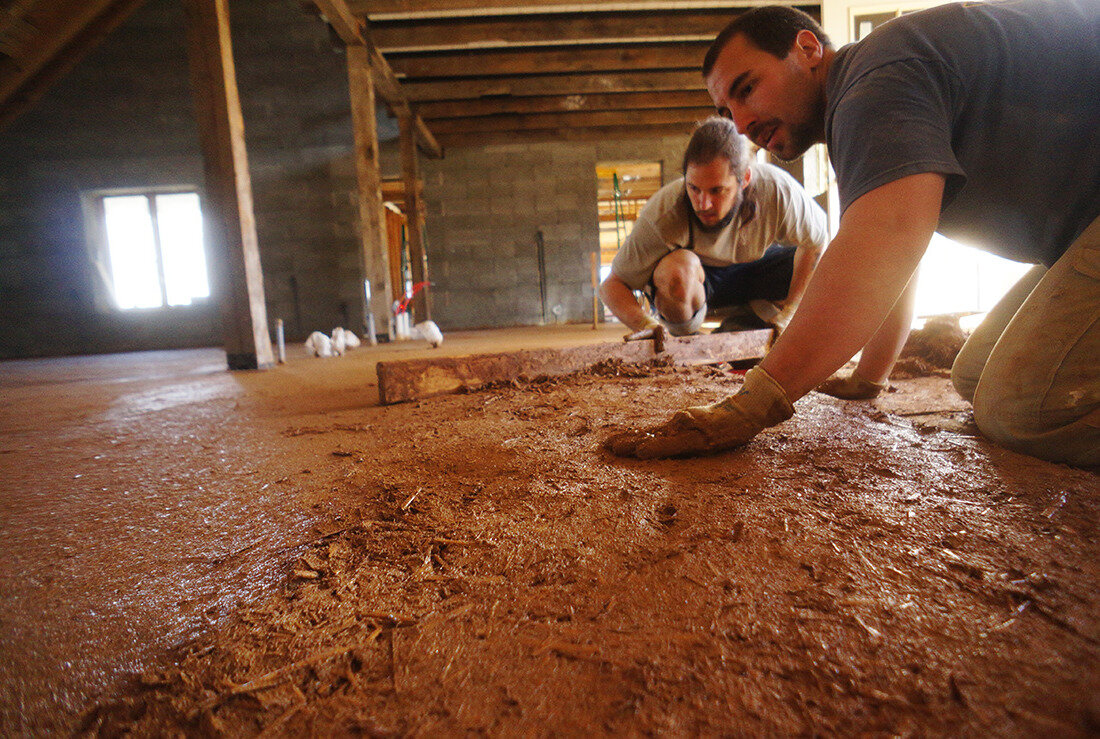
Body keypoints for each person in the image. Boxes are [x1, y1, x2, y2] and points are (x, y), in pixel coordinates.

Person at [607, 1, 1099, 466]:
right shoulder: (868, 93)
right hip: (1082, 232)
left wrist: (748, 407)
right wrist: (868, 378)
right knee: (975, 374)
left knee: (1020, 409)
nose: (741, 123)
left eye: (748, 88)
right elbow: (901, 255)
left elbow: (882, 243)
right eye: (726, 111)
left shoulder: (875, 81)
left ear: (807, 48)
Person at [600, 117, 827, 339]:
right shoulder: (663, 213)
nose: (703, 204)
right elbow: (612, 285)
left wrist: (791, 312)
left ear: (745, 178)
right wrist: (645, 325)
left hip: (759, 269)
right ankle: (688, 340)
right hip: (700, 282)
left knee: (824, 269)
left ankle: (745, 323)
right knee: (675, 274)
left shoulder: (776, 190)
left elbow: (816, 242)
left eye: (717, 191)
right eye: (694, 188)